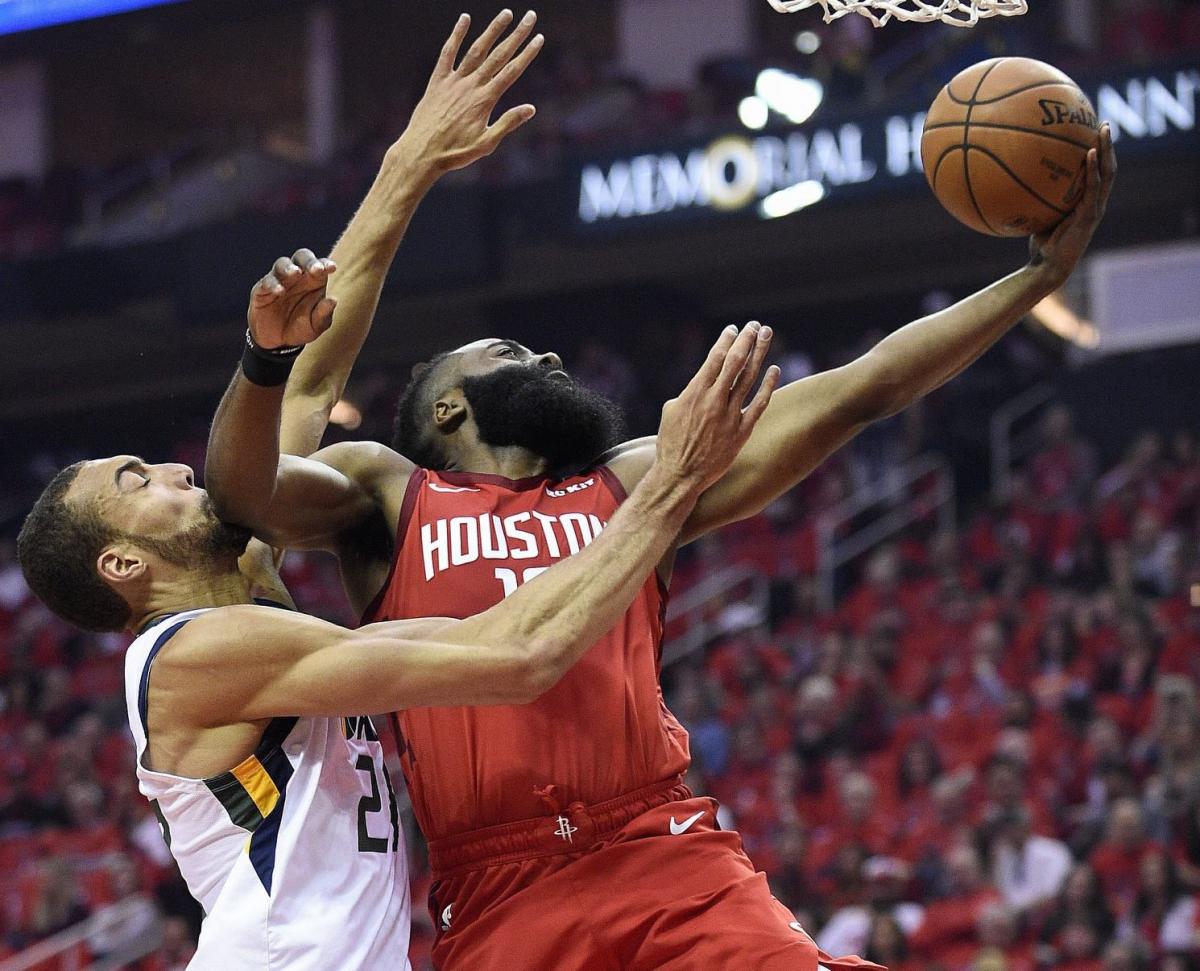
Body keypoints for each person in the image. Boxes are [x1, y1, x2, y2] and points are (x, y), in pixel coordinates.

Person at [205, 7, 1117, 960]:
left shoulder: (639, 477)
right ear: (446, 408)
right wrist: (285, 334)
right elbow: (243, 487)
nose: (548, 355)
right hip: (496, 884)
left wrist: (1033, 280)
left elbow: (863, 389)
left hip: (662, 846)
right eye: (510, 350)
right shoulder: (386, 496)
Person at [15, 245, 775, 968]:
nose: (179, 470)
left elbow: (308, 392)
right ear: (122, 564)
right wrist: (671, 484)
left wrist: (406, 174)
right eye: (139, 480)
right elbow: (517, 655)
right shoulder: (199, 654)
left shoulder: (245, 603)